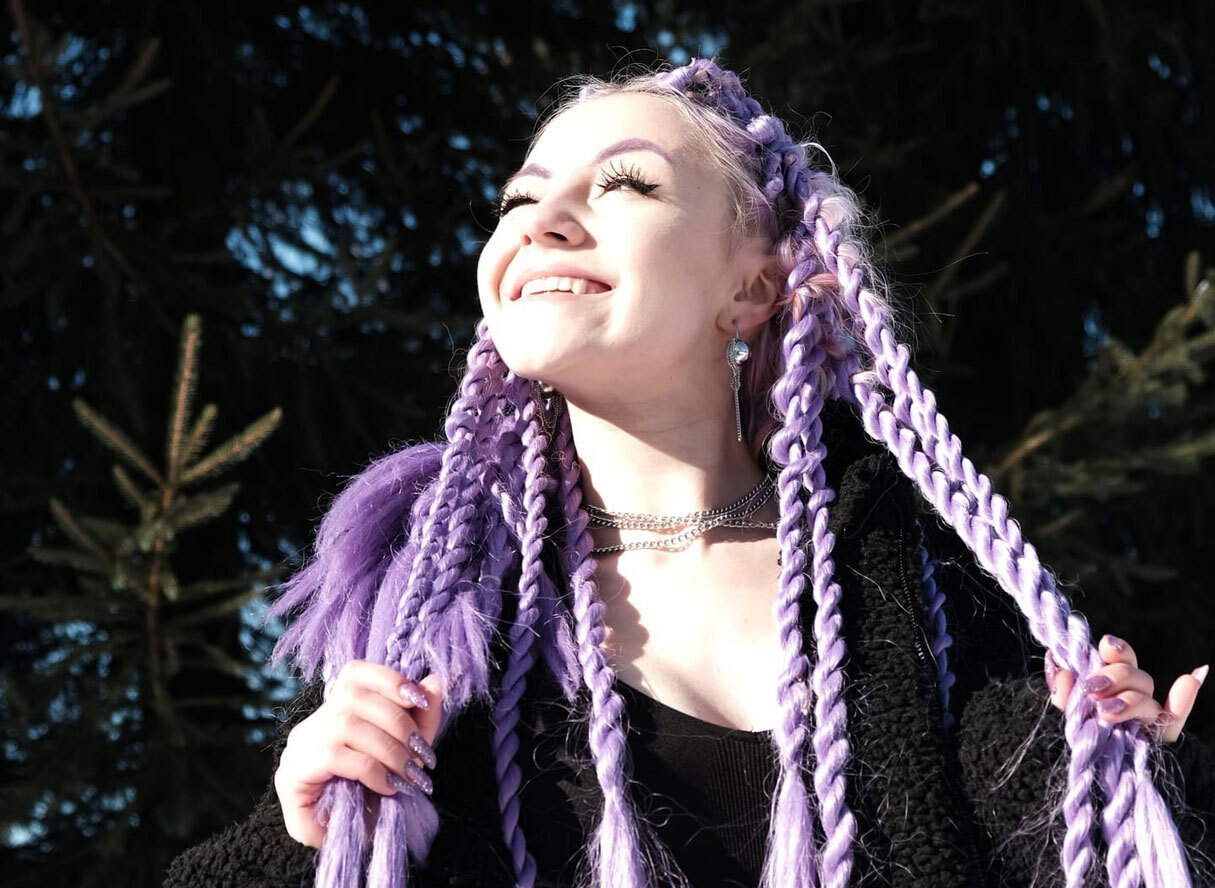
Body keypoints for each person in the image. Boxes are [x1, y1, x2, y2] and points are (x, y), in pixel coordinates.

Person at [164, 58, 1214, 888]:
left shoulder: (909, 573)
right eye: (518, 199)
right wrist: (300, 837)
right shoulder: (441, 607)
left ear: (752, 289)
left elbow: (1072, 844)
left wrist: (1147, 777)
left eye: (624, 184)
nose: (540, 221)